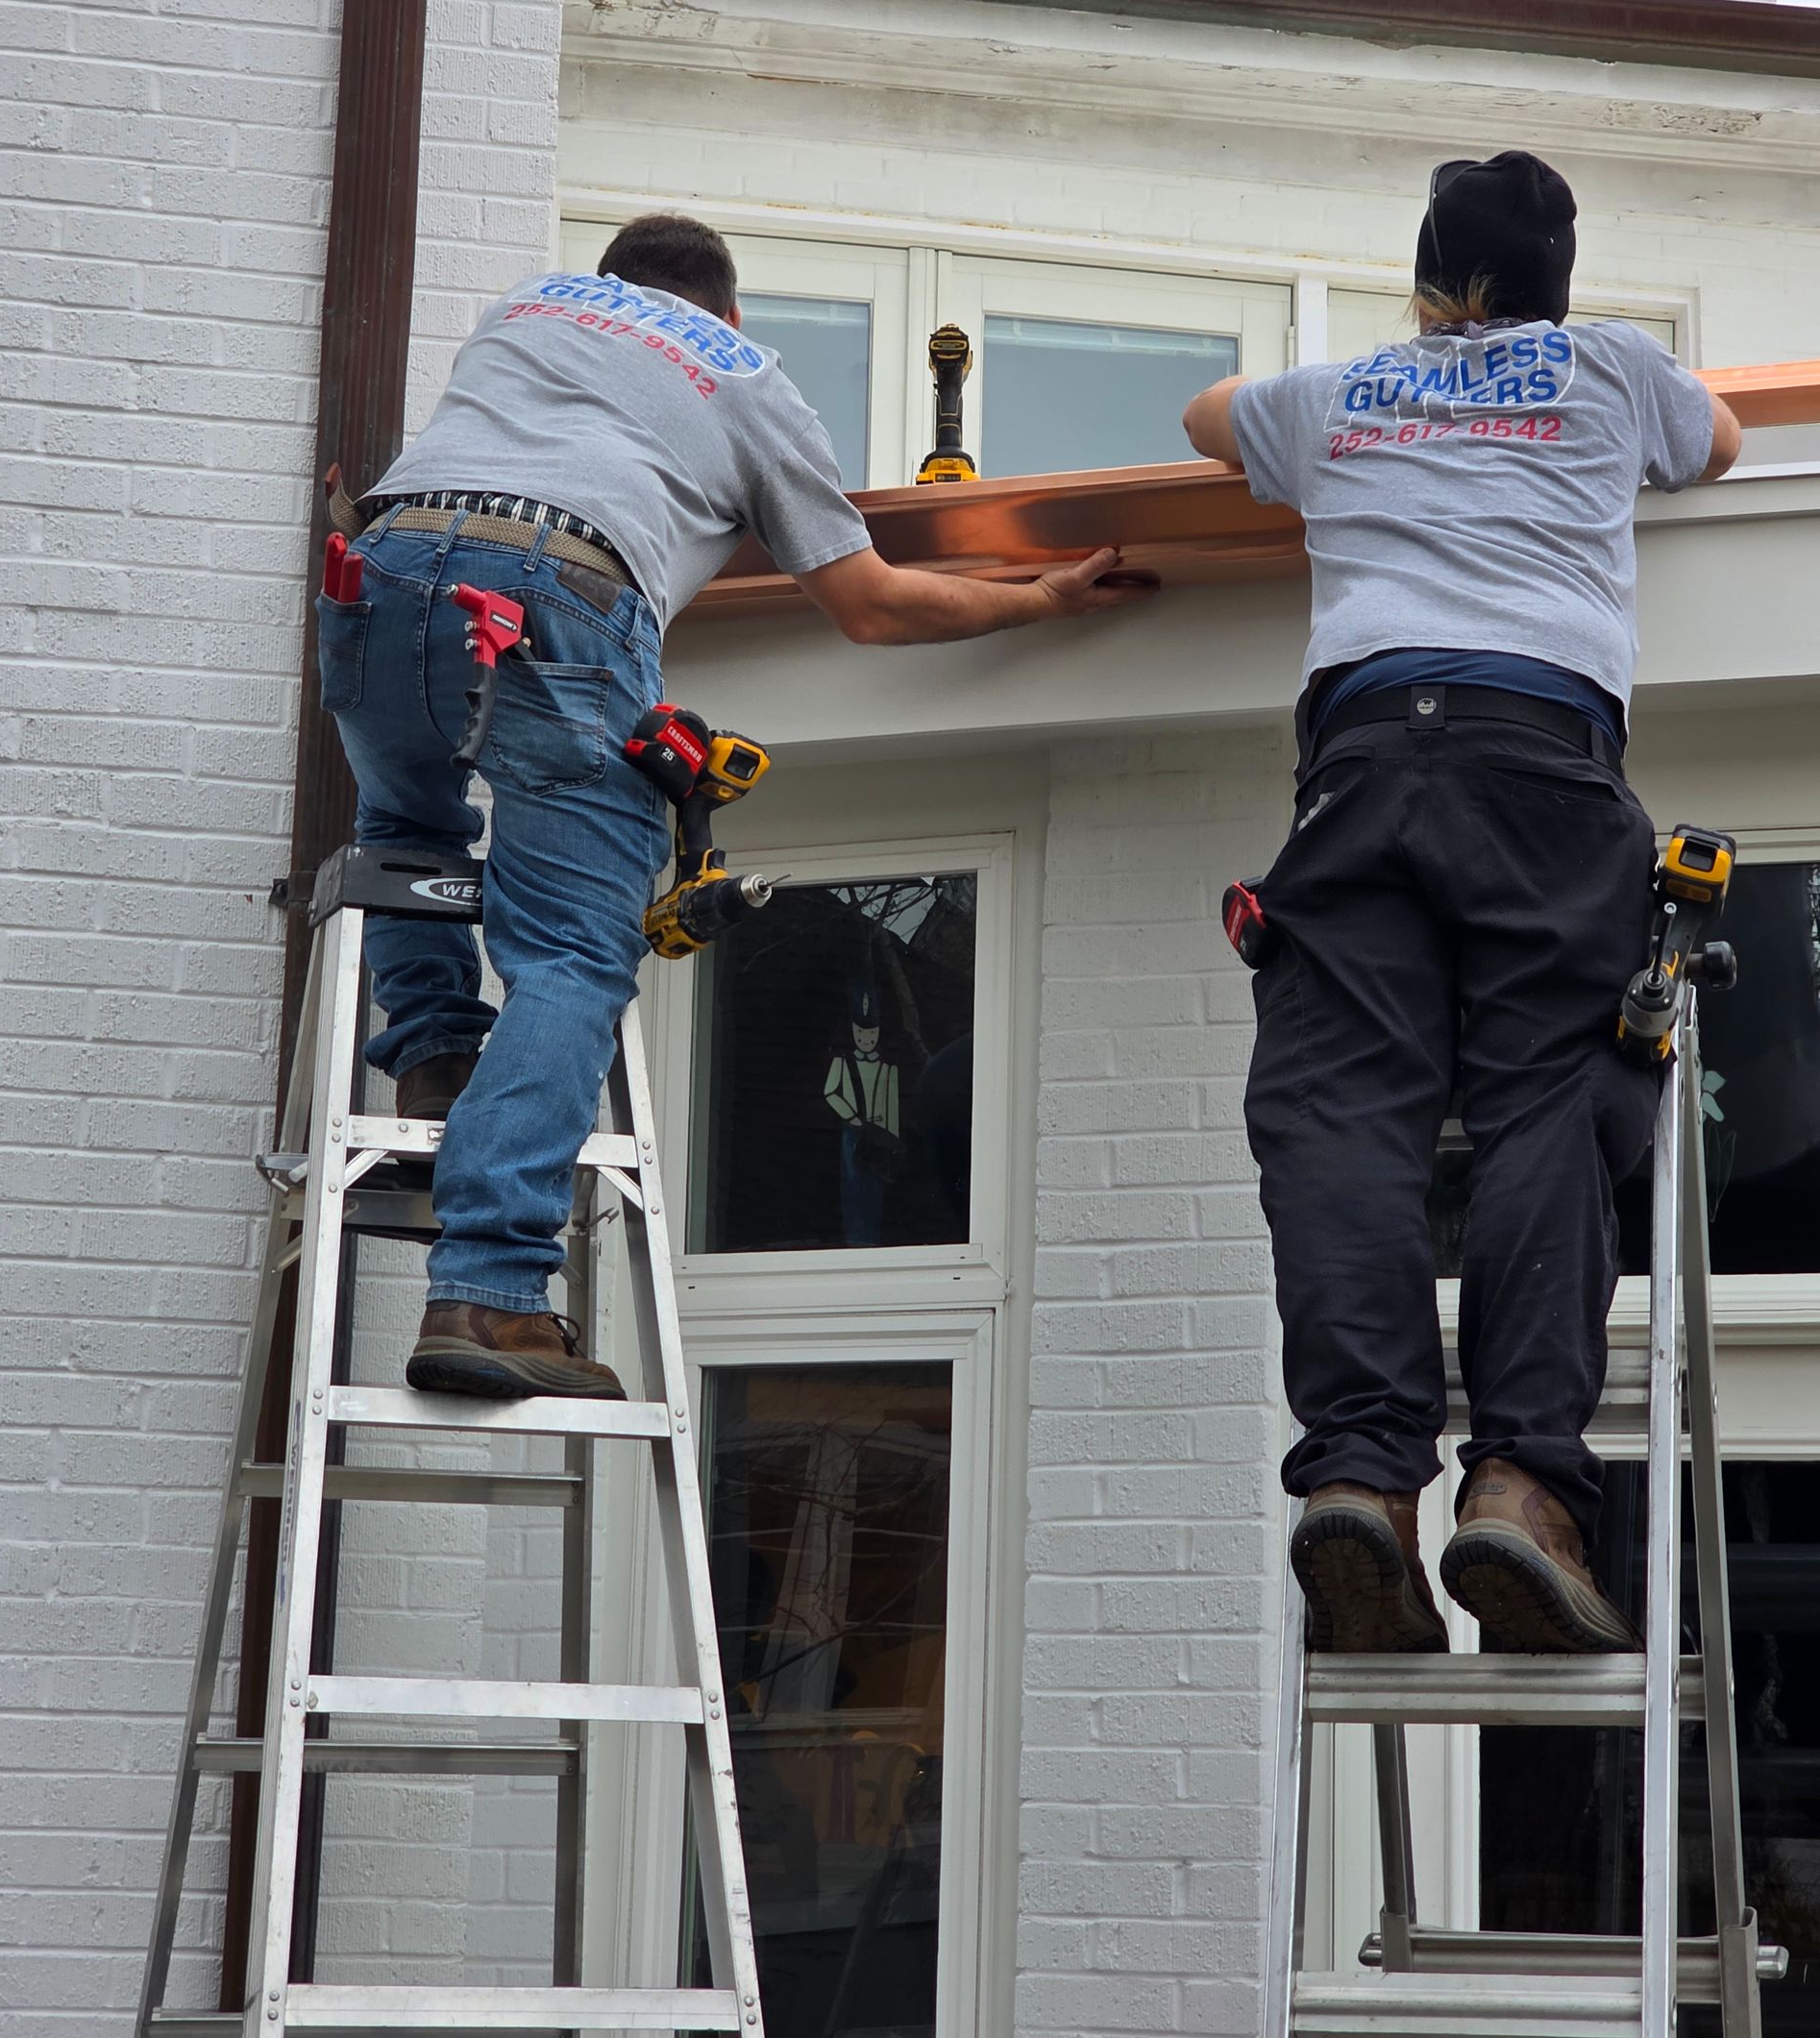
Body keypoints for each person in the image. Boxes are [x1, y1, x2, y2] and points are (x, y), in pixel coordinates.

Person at [320, 212, 1149, 1401]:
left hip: (384, 570)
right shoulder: (746, 375)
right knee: (569, 954)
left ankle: (442, 1070)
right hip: (557, 590)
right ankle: (490, 1294)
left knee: (408, 828)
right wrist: (1044, 600)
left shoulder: (528, 309)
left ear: (613, 285)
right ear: (732, 313)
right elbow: (869, 603)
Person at [1183, 151, 1741, 1657]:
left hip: (1362, 760)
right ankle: (1518, 1487)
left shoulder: (1348, 392)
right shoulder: (1615, 368)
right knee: (1549, 1105)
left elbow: (1207, 420)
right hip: (1542, 760)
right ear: (1560, 286)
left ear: (1428, 283)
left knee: (1346, 1113)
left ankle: (1359, 1474)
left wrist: (1404, 380)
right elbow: (1728, 442)